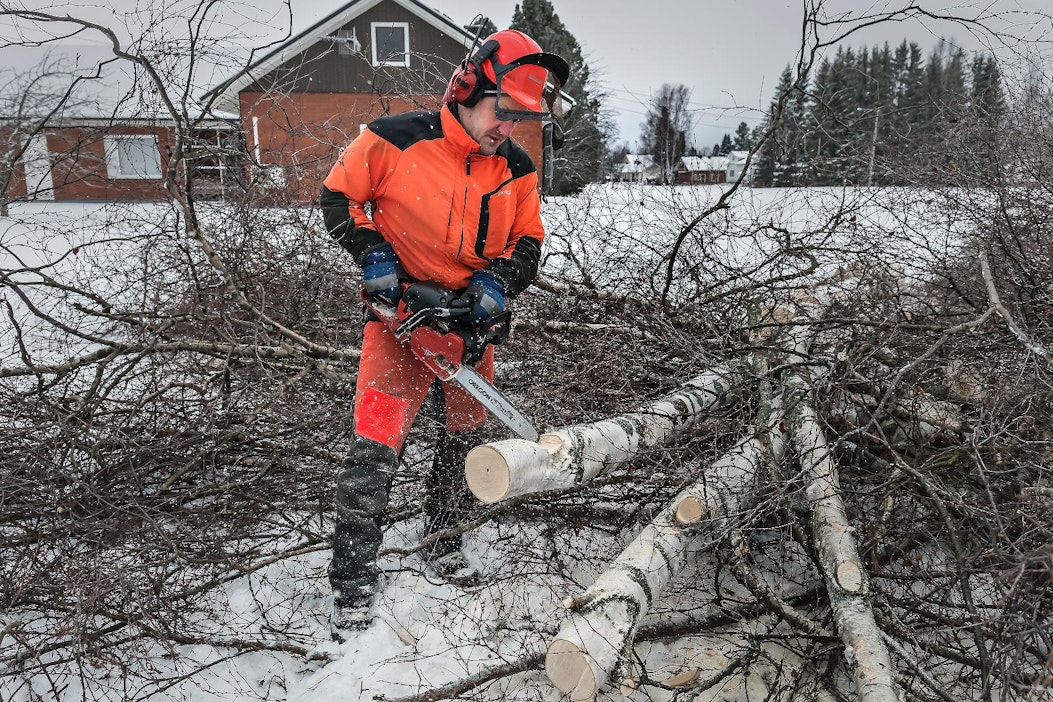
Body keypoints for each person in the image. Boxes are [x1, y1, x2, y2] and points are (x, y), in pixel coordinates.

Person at [319, 28, 569, 639]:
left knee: (464, 442)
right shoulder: (393, 139)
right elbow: (337, 199)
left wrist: (500, 286)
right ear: (468, 90)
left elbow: (529, 242)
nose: (505, 128)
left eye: (517, 118)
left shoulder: (516, 168)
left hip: (468, 327)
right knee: (373, 450)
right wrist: (372, 254)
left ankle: (444, 538)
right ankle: (352, 582)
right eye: (500, 113)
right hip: (400, 323)